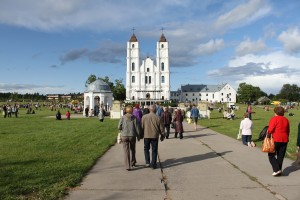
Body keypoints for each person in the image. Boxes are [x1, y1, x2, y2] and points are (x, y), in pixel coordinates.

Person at [267, 106, 290, 176]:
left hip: (276, 139)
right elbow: (288, 130)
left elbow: (270, 129)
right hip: (284, 139)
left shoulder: (274, 119)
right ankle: (278, 170)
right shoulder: (286, 119)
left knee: (271, 155)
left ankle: (277, 169)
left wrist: (268, 134)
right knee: (280, 156)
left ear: (276, 112)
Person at [118, 106, 141, 171]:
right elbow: (137, 128)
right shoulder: (134, 118)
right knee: (133, 149)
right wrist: (138, 136)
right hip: (132, 135)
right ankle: (133, 162)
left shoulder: (123, 117)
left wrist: (122, 128)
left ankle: (127, 165)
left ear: (126, 110)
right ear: (131, 111)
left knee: (126, 151)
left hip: (124, 135)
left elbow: (119, 126)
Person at [141, 105, 165, 169]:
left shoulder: (144, 117)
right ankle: (153, 164)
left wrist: (141, 135)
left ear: (149, 110)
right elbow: (161, 128)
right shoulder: (158, 117)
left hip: (146, 135)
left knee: (146, 149)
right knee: (154, 150)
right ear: (155, 110)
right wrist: (162, 135)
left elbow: (142, 127)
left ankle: (147, 162)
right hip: (154, 136)